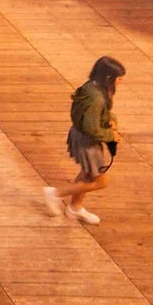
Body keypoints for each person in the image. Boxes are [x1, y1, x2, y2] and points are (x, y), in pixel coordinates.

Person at [46, 56, 125, 225]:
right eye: (119, 79)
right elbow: (91, 128)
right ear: (108, 77)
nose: (120, 82)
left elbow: (94, 116)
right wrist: (111, 136)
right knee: (100, 181)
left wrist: (110, 119)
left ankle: (75, 208)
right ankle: (55, 193)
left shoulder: (91, 87)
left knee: (87, 174)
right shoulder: (96, 98)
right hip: (87, 142)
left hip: (80, 136)